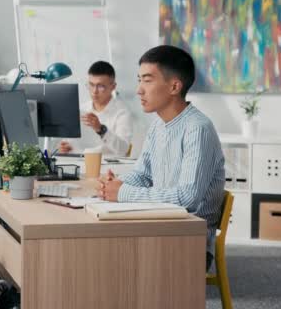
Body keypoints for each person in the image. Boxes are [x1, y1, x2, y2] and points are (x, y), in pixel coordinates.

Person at [96, 46, 225, 271]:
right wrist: (116, 185)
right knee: (96, 254)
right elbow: (143, 173)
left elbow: (188, 198)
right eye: (139, 80)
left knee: (106, 261)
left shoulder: (198, 129)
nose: (139, 90)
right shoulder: (158, 125)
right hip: (158, 227)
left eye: (147, 80)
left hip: (188, 241)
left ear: (175, 86)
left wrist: (123, 193)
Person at [59, 61, 133, 157]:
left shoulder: (122, 113)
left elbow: (123, 149)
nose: (94, 91)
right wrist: (66, 148)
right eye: (91, 85)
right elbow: (71, 144)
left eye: (100, 86)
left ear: (113, 87)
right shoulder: (81, 109)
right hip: (80, 164)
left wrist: (101, 129)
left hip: (109, 167)